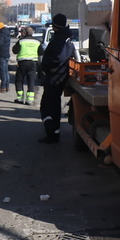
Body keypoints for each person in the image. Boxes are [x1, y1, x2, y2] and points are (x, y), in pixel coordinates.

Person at [39, 14, 76, 144]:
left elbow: (59, 57)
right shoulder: (65, 37)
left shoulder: (60, 39)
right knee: (51, 104)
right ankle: (53, 131)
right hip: (57, 75)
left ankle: (52, 131)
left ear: (55, 26)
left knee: (48, 105)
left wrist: (49, 65)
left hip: (55, 76)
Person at [12, 26, 43, 105]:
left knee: (19, 80)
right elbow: (41, 53)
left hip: (22, 63)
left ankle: (20, 98)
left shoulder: (21, 41)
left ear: (25, 33)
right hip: (33, 63)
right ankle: (29, 100)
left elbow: (15, 51)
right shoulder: (37, 42)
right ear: (32, 33)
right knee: (31, 80)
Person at [0, 22, 12, 92]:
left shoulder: (1, 34)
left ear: (0, 27)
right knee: (6, 71)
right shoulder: (6, 33)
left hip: (1, 55)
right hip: (6, 54)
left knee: (2, 72)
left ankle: (3, 86)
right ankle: (7, 86)